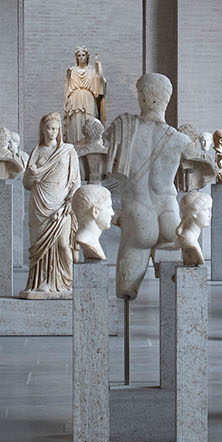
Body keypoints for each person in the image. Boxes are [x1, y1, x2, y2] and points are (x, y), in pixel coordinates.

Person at [103, 73, 190, 300]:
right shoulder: (181, 140)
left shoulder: (123, 127)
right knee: (171, 298)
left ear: (142, 96)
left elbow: (100, 156)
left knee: (125, 291)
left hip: (139, 217)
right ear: (167, 99)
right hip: (170, 217)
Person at [21, 112, 81, 299]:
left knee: (63, 244)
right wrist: (32, 175)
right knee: (40, 246)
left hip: (61, 204)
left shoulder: (68, 151)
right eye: (50, 128)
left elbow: (76, 181)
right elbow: (26, 184)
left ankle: (66, 282)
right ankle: (41, 283)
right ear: (43, 130)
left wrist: (71, 200)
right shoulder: (37, 151)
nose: (53, 132)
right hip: (40, 205)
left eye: (56, 128)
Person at [63, 47, 106, 144]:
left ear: (87, 57)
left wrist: (99, 71)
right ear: (76, 57)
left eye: (83, 55)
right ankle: (75, 146)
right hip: (74, 100)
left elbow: (100, 88)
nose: (81, 57)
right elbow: (66, 89)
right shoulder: (71, 71)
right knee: (75, 123)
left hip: (88, 99)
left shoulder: (92, 70)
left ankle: (90, 146)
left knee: (89, 121)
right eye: (79, 55)